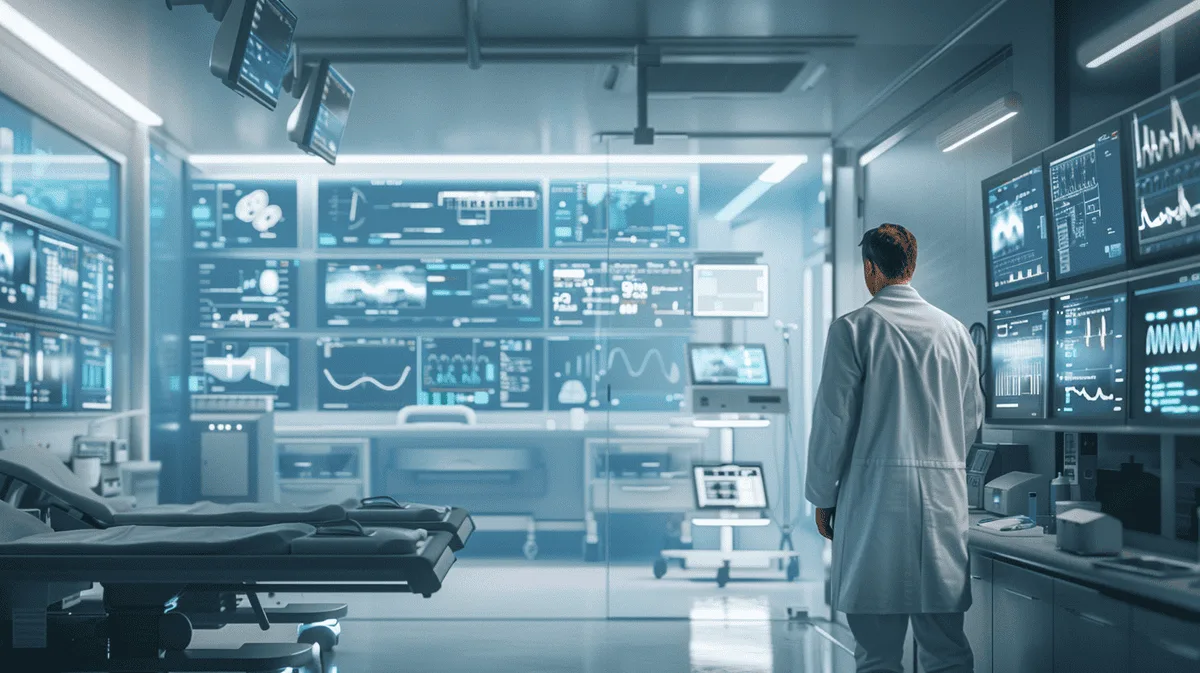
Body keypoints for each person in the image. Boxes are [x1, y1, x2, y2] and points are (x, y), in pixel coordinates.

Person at [806, 223, 983, 673]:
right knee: (946, 650)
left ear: (870, 269)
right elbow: (969, 420)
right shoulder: (954, 332)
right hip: (941, 507)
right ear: (913, 265)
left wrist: (823, 497)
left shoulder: (853, 330)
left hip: (873, 509)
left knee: (878, 655)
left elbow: (833, 423)